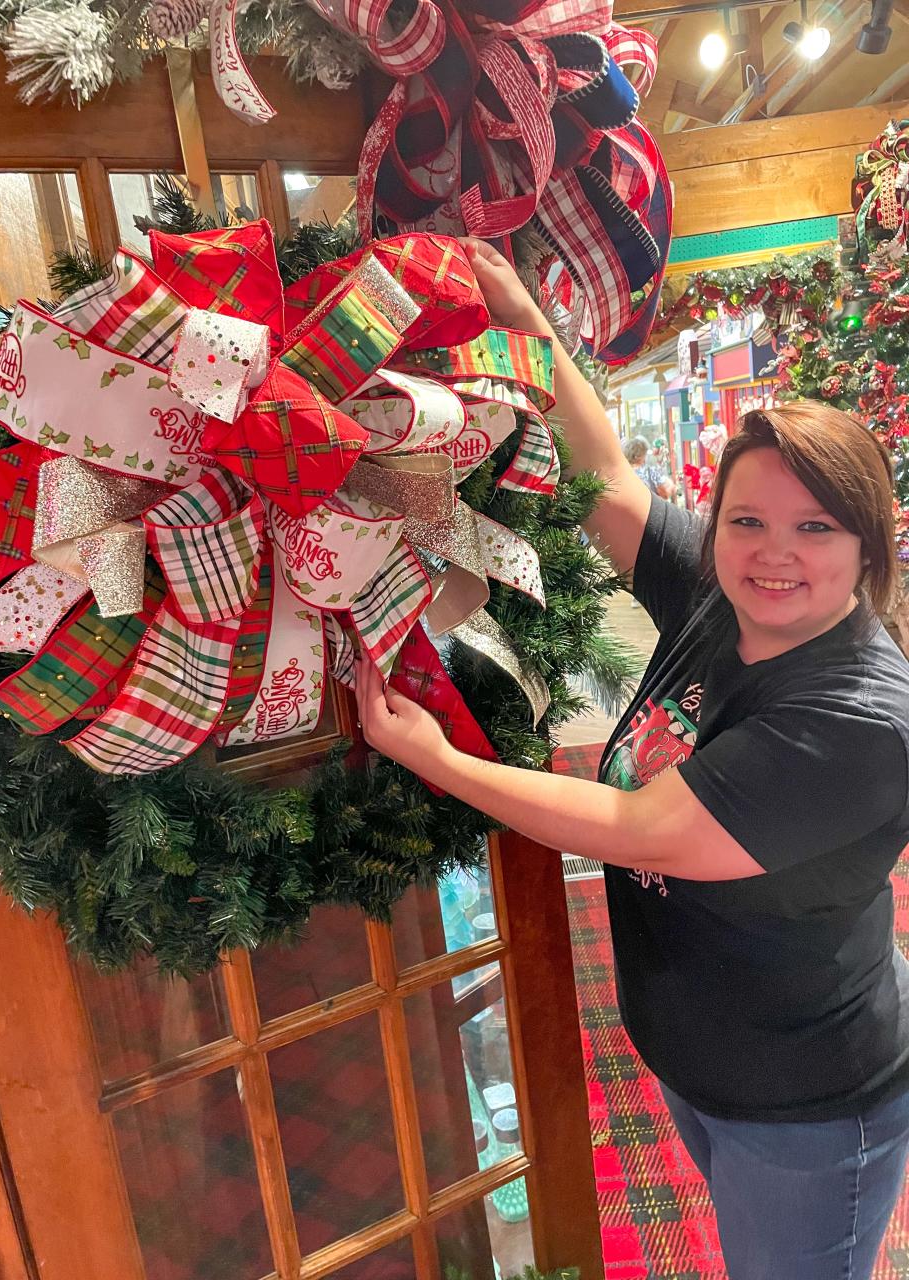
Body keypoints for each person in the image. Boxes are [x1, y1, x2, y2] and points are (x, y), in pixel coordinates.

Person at [356, 238, 909, 1280]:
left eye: (814, 527)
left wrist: (439, 759)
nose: (772, 551)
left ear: (868, 546)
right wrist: (525, 320)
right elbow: (604, 473)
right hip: (704, 1055)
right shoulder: (724, 590)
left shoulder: (859, 721)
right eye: (747, 519)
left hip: (808, 1100)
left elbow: (638, 826)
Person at [624, 433, 676, 501]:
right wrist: (671, 485)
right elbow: (665, 493)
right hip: (649, 509)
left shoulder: (622, 474)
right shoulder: (650, 472)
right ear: (640, 456)